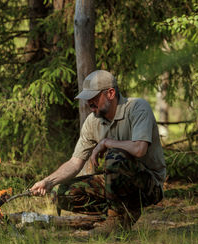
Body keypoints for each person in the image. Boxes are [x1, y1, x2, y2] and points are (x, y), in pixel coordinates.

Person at [30, 70, 166, 234]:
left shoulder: (137, 108)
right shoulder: (91, 122)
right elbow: (75, 163)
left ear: (110, 93)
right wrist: (48, 182)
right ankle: (115, 217)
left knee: (115, 156)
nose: (89, 102)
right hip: (114, 184)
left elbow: (139, 149)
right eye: (87, 98)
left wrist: (107, 142)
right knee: (63, 193)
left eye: (94, 97)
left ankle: (117, 220)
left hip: (148, 185)